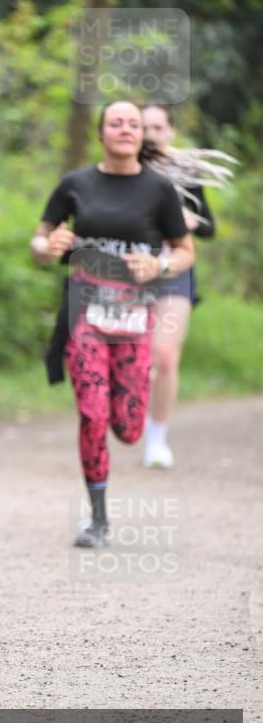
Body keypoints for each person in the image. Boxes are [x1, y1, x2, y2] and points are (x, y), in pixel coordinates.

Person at [30, 101, 194, 548]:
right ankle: (98, 520)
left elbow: (185, 251)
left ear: (143, 135)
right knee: (92, 412)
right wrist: (48, 246)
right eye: (116, 122)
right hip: (86, 314)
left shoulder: (159, 190)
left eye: (133, 124)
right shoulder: (75, 184)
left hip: (136, 318)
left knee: (128, 427)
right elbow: (39, 241)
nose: (125, 129)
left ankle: (140, 391)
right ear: (101, 133)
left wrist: (158, 266)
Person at [140, 105, 216, 469]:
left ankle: (157, 438)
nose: (151, 132)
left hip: (176, 270)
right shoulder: (127, 168)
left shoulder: (187, 173)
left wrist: (191, 221)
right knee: (137, 357)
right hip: (131, 271)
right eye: (146, 126)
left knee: (166, 356)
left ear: (170, 131)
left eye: (158, 126)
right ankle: (132, 411)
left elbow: (209, 227)